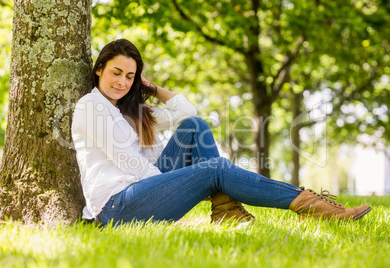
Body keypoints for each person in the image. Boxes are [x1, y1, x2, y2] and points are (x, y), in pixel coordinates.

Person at [71, 39, 372, 227]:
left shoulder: (130, 111)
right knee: (214, 168)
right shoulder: (90, 107)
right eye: (115, 72)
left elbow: (186, 113)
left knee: (195, 127)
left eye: (129, 76)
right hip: (117, 208)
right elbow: (131, 165)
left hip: (141, 190)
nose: (122, 82)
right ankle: (310, 204)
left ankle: (226, 210)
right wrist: (190, 180)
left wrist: (148, 86)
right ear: (99, 69)